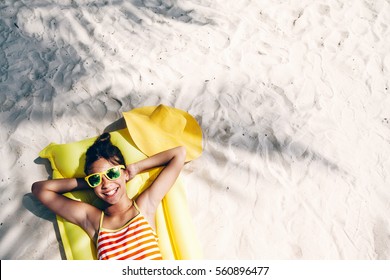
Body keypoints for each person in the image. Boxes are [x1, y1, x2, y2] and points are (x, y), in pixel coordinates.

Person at [32, 132, 186, 260]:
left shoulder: (144, 207)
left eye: (112, 173)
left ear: (125, 173)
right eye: (96, 179)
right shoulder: (93, 220)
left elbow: (179, 154)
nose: (106, 184)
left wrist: (136, 168)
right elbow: (40, 190)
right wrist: (89, 183)